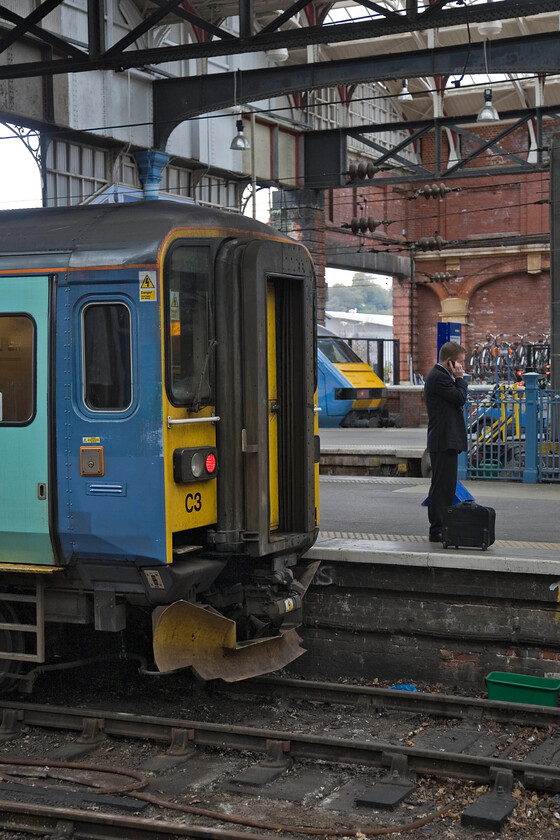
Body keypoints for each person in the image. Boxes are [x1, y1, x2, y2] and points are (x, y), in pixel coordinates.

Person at [424, 341, 468, 542]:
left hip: (445, 440)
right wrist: (460, 379)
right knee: (442, 487)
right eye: (460, 362)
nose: (462, 367)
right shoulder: (440, 378)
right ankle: (437, 529)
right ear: (450, 362)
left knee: (446, 486)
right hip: (443, 440)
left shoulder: (442, 376)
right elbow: (460, 398)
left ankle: (442, 527)